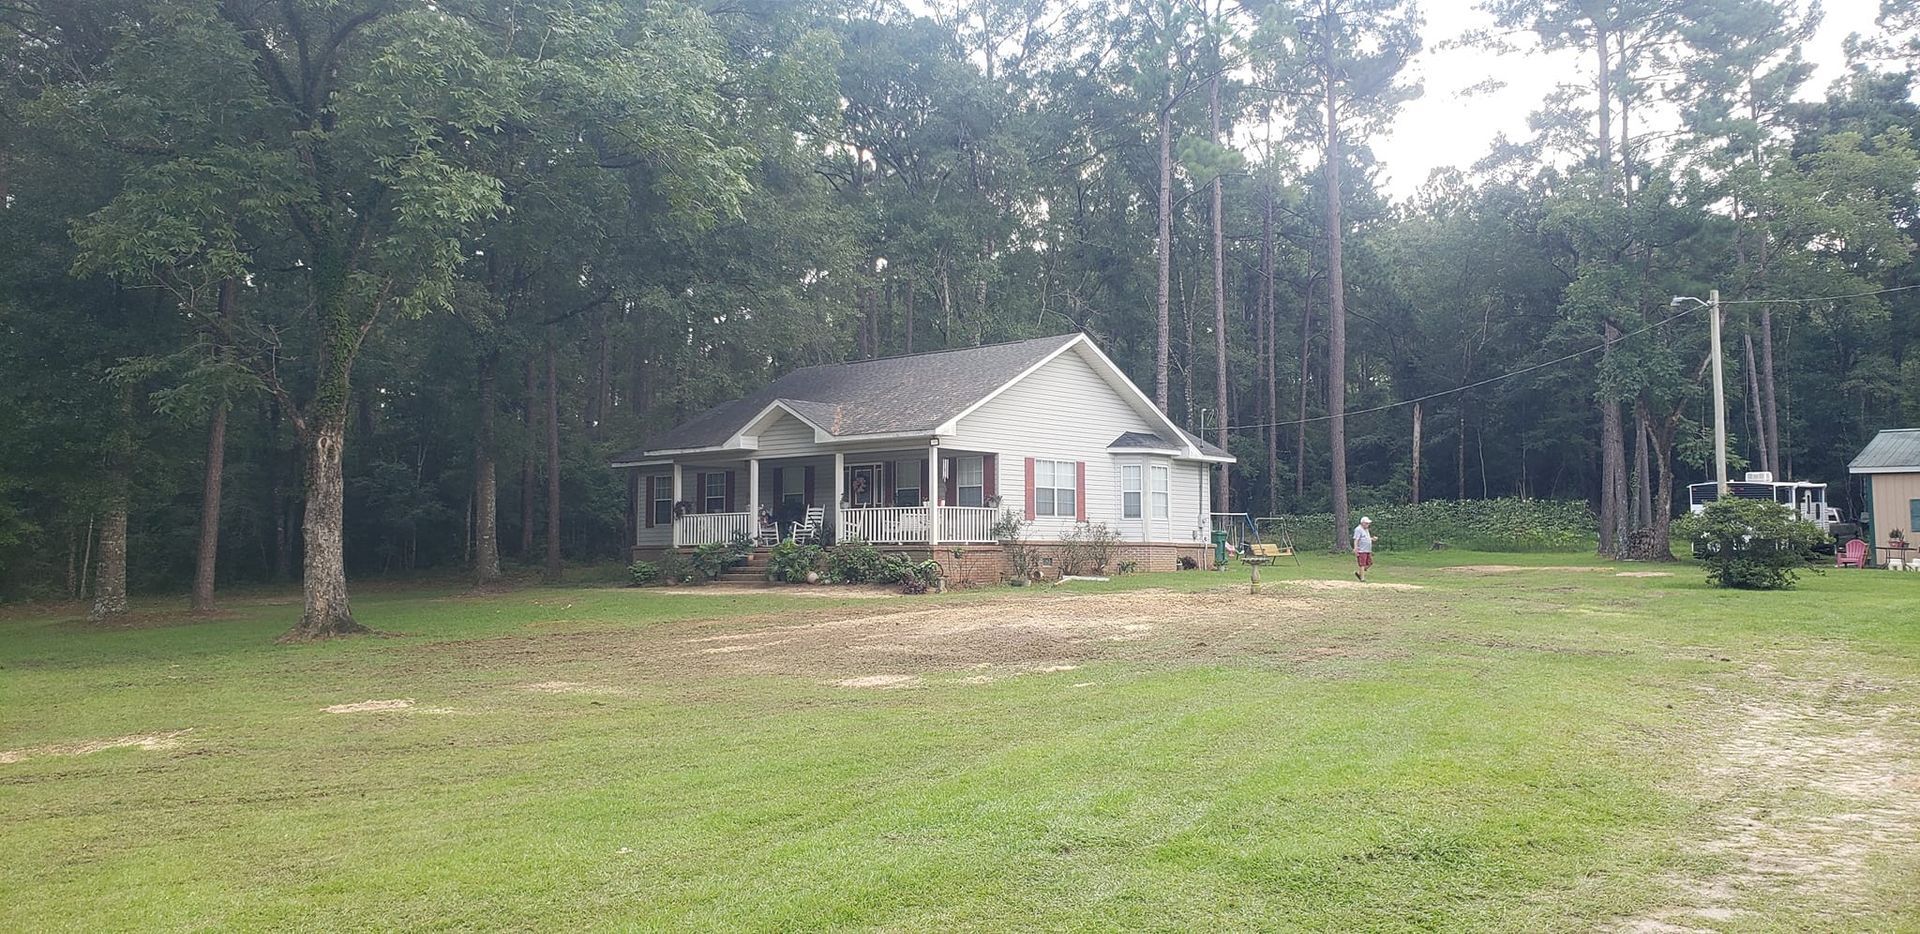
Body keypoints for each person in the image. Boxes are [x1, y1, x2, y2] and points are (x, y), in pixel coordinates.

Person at [1353, 516, 1375, 581]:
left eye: (1368, 523)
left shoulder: (1366, 530)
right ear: (1362, 523)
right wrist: (1356, 548)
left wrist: (1372, 539)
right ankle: (1362, 578)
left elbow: (1366, 538)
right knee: (1362, 564)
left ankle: (1359, 573)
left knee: (1370, 563)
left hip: (1367, 550)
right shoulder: (1358, 529)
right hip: (1361, 550)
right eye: (1366, 523)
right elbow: (1356, 539)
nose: (1368, 524)